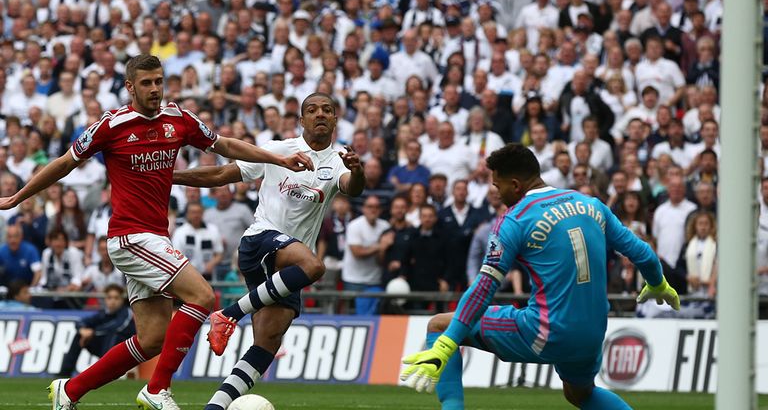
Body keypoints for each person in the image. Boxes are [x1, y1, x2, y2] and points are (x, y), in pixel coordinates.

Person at [0, 54, 313, 410]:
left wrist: (278, 159)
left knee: (152, 339)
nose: (155, 90)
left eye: (159, 81)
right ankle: (156, 388)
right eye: (147, 83)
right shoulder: (111, 125)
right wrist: (17, 197)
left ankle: (70, 390)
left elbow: (225, 144)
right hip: (129, 236)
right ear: (130, 87)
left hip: (155, 237)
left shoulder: (178, 119)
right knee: (202, 296)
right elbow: (63, 164)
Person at [399, 143, 680, 410]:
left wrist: (449, 343)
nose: (496, 192)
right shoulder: (591, 204)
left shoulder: (515, 219)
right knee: (580, 393)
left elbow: (484, 288)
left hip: (546, 331)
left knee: (438, 325)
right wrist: (658, 284)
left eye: (498, 185)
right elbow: (642, 252)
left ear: (516, 185)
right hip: (593, 332)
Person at [171, 92, 365, 410]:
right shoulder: (277, 150)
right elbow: (222, 174)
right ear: (301, 120)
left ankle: (214, 407)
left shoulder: (337, 162)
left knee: (266, 344)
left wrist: (357, 171)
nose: (320, 114)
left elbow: (353, 187)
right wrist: (169, 177)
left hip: (288, 269)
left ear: (334, 120)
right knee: (315, 267)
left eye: (327, 110)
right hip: (261, 241)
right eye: (312, 110)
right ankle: (228, 314)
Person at [58, 284, 136, 377]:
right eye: (109, 298)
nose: (113, 301)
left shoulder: (126, 312)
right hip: (103, 346)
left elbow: (117, 326)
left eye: (116, 298)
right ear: (105, 299)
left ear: (122, 300)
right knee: (79, 336)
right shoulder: (103, 313)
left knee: (113, 335)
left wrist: (93, 332)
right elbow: (82, 322)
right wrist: (82, 330)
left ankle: (105, 372)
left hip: (125, 349)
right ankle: (64, 374)